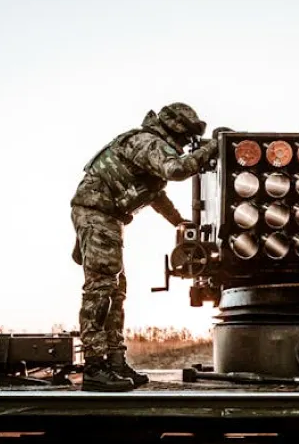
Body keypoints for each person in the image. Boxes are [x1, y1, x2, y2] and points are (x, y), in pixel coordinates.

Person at [70, 103, 220, 391]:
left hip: (106, 217)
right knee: (101, 287)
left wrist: (178, 221)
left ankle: (114, 360)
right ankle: (95, 366)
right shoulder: (146, 142)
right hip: (96, 213)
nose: (185, 144)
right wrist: (211, 148)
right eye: (186, 136)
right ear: (176, 129)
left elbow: (154, 194)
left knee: (115, 290)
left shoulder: (147, 146)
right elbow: (176, 170)